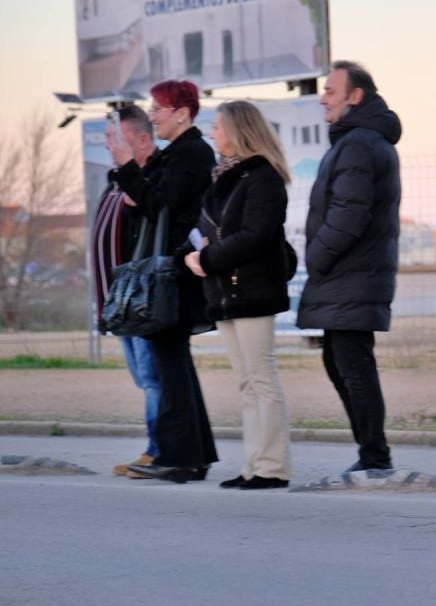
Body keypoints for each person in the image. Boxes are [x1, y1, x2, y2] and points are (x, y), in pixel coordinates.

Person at [181, 101, 294, 490]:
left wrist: (207, 258)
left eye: (218, 127)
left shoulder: (262, 177)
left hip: (252, 290)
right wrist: (191, 255)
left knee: (262, 378)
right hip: (224, 291)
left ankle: (272, 467)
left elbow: (256, 236)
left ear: (238, 130)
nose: (213, 134)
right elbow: (211, 231)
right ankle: (253, 465)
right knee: (246, 381)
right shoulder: (223, 179)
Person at [297, 61, 402, 474]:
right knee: (341, 363)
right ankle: (371, 452)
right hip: (349, 275)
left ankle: (375, 457)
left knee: (353, 366)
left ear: (355, 96)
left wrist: (316, 257)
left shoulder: (359, 143)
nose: (323, 98)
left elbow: (348, 215)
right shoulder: (356, 141)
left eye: (330, 91)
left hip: (351, 274)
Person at [115, 80, 219, 484]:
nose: (153, 115)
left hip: (172, 274)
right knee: (175, 365)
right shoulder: (178, 153)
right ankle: (192, 455)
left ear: (182, 113)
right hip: (169, 272)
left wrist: (127, 169)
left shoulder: (193, 153)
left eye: (158, 108)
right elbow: (147, 200)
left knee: (171, 364)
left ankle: (178, 456)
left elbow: (160, 203)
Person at [93, 104, 161, 476]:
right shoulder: (116, 181)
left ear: (142, 139)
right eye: (105, 137)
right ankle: (157, 447)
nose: (107, 145)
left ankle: (157, 450)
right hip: (118, 303)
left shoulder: (146, 180)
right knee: (143, 378)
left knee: (151, 378)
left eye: (114, 138)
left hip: (139, 300)